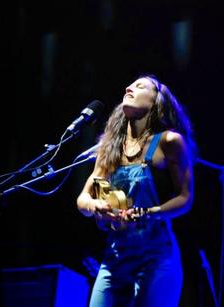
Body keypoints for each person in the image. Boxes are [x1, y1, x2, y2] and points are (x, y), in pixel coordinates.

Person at [76, 74, 196, 306]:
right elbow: (83, 198)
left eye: (140, 86)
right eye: (129, 85)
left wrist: (148, 212)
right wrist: (95, 205)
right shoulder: (109, 148)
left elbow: (185, 197)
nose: (128, 88)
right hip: (115, 259)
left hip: (156, 259)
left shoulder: (170, 141)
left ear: (156, 102)